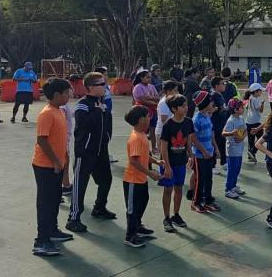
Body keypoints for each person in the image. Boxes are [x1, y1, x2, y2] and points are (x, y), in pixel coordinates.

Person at [67, 72, 115, 233]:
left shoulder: (103, 105)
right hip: (85, 152)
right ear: (91, 87)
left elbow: (108, 125)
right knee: (80, 184)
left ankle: (99, 208)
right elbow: (83, 125)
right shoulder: (83, 105)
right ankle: (73, 218)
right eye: (102, 85)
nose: (105, 87)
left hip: (101, 151)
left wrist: (107, 138)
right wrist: (97, 111)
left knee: (106, 180)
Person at [31, 77, 74, 257]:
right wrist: (56, 161)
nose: (69, 95)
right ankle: (41, 241)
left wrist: (62, 160)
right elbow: (42, 140)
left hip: (56, 165)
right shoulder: (47, 113)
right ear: (57, 95)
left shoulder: (59, 111)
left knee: (55, 199)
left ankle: (53, 230)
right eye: (66, 92)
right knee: (46, 203)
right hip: (45, 165)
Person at [122, 105, 163, 248]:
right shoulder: (136, 138)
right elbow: (134, 161)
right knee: (132, 209)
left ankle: (137, 226)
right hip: (132, 180)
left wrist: (155, 161)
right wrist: (150, 173)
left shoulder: (142, 135)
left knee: (142, 202)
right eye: (148, 116)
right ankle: (130, 236)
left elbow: (145, 155)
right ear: (141, 120)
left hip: (140, 179)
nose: (149, 119)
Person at [159, 94, 194, 233]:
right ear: (174, 109)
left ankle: (176, 214)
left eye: (186, 105)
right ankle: (166, 217)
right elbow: (163, 146)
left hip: (181, 162)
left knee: (179, 188)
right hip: (169, 162)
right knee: (168, 190)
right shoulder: (168, 124)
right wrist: (166, 166)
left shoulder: (188, 122)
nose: (186, 108)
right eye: (183, 106)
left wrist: (190, 155)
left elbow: (188, 140)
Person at [190, 90, 220, 213]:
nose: (212, 103)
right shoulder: (196, 119)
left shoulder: (207, 116)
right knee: (200, 179)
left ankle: (207, 201)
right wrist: (203, 151)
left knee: (209, 177)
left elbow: (211, 133)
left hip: (209, 153)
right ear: (204, 103)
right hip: (200, 155)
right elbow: (192, 138)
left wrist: (215, 148)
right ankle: (195, 202)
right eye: (209, 101)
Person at [222, 98, 247, 199]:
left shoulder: (241, 119)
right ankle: (228, 189)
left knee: (237, 169)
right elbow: (223, 133)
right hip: (232, 150)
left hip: (239, 149)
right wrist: (232, 133)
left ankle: (233, 186)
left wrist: (242, 137)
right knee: (232, 170)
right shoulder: (231, 120)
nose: (243, 108)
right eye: (241, 107)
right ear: (236, 110)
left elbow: (245, 130)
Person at [132, 70, 160, 151]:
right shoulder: (138, 87)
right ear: (141, 78)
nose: (149, 79)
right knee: (142, 130)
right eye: (147, 77)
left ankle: (154, 147)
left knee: (153, 130)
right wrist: (153, 100)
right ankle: (141, 147)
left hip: (153, 111)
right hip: (142, 112)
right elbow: (142, 100)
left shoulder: (151, 86)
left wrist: (149, 98)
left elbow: (157, 97)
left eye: (150, 77)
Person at [95, 67, 117, 163]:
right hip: (102, 116)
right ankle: (102, 155)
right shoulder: (98, 88)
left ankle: (105, 153)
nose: (107, 76)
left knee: (107, 135)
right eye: (105, 74)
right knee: (102, 136)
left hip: (108, 115)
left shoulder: (106, 86)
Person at [209, 77, 229, 174]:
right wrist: (218, 108)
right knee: (214, 143)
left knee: (222, 142)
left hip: (222, 124)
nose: (224, 85)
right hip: (215, 124)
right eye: (222, 83)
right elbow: (211, 110)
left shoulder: (220, 95)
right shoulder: (213, 96)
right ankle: (212, 165)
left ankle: (223, 162)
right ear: (216, 86)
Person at [244, 83, 265, 163]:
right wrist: (262, 104)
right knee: (261, 138)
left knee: (251, 140)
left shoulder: (250, 98)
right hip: (255, 122)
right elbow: (260, 110)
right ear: (256, 91)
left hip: (249, 121)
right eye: (260, 91)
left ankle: (251, 155)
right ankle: (253, 151)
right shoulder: (256, 99)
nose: (261, 92)